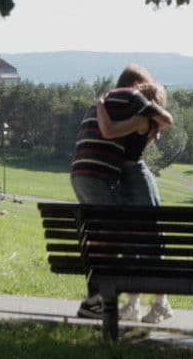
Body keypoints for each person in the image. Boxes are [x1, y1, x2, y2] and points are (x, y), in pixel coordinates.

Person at [69, 64, 174, 323]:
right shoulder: (130, 108)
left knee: (125, 239)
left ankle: (137, 301)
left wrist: (101, 105)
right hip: (108, 178)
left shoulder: (131, 114)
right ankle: (113, 300)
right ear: (134, 87)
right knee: (117, 239)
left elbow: (109, 132)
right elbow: (111, 133)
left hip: (103, 176)